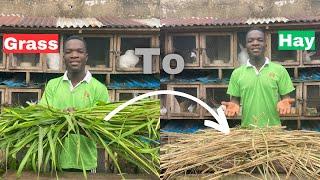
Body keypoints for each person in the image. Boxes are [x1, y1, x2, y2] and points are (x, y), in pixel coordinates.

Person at [39, 35, 109, 171]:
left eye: (79, 51)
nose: (74, 55)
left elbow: (101, 129)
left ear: (86, 56)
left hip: (86, 165)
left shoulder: (99, 88)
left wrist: (73, 120)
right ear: (63, 56)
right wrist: (62, 116)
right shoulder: (53, 85)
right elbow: (43, 118)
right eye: (69, 52)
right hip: (55, 163)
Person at [222, 27, 295, 127]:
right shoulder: (237, 73)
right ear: (246, 46)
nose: (255, 43)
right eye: (250, 41)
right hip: (247, 132)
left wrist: (285, 103)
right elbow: (235, 100)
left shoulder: (280, 70)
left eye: (260, 40)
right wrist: (234, 105)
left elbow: (286, 99)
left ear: (266, 45)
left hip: (273, 131)